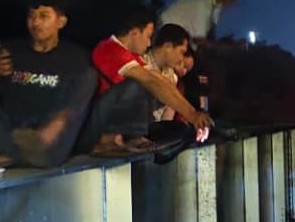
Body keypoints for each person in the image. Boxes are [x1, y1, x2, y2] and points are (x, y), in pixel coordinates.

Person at [0, 0, 96, 169]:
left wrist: (57, 124)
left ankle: (21, 151)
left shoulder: (75, 57)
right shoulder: (12, 51)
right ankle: (6, 152)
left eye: (43, 16)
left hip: (48, 143)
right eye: (31, 16)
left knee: (89, 76)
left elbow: (78, 102)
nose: (35, 23)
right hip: (9, 136)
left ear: (61, 22)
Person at [81, 9, 211, 155]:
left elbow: (161, 81)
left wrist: (193, 115)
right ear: (134, 33)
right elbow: (150, 80)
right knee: (139, 84)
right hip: (94, 127)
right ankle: (112, 141)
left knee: (170, 114)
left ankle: (132, 138)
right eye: (148, 36)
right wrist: (191, 115)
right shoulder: (109, 49)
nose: (149, 43)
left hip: (108, 119)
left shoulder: (131, 56)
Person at [158, 0, 246, 44]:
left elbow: (211, 34)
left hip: (177, 37)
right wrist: (226, 48)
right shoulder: (202, 3)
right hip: (163, 35)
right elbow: (199, 41)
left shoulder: (216, 5)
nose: (233, 1)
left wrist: (226, 41)